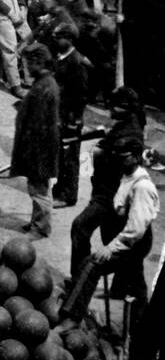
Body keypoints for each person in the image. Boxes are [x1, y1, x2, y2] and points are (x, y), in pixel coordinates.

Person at [60, 136, 158, 326]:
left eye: (125, 157)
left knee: (91, 265)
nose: (121, 160)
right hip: (131, 241)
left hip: (135, 243)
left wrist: (111, 248)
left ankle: (71, 318)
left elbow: (135, 230)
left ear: (137, 157)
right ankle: (142, 326)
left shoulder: (143, 187)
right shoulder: (126, 175)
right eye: (119, 157)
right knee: (136, 283)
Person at [69, 87, 145, 280]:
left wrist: (100, 152)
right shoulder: (126, 124)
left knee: (80, 227)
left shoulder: (130, 133)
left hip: (109, 194)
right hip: (106, 192)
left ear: (124, 108)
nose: (109, 109)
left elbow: (125, 165)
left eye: (113, 106)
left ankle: (80, 278)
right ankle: (123, 284)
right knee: (111, 240)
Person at [10, 43, 60, 238]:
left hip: (40, 149)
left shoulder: (44, 87)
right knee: (36, 188)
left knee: (39, 190)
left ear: (39, 62)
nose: (27, 68)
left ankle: (41, 227)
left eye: (30, 63)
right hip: (39, 147)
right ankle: (36, 221)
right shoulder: (43, 83)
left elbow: (38, 125)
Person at [52, 28, 92, 208]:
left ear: (69, 39)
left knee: (70, 158)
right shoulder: (61, 57)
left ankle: (69, 196)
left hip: (70, 118)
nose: (56, 40)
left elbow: (82, 94)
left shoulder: (78, 62)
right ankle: (60, 189)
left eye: (59, 38)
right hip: (60, 115)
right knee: (61, 155)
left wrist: (74, 119)